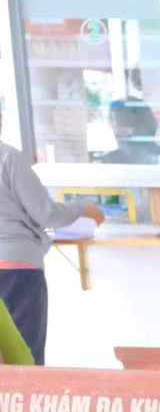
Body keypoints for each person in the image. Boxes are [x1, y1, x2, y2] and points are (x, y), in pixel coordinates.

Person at [0, 114, 105, 364]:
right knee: (24, 357)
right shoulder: (8, 158)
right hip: (17, 269)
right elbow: (46, 214)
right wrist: (83, 208)